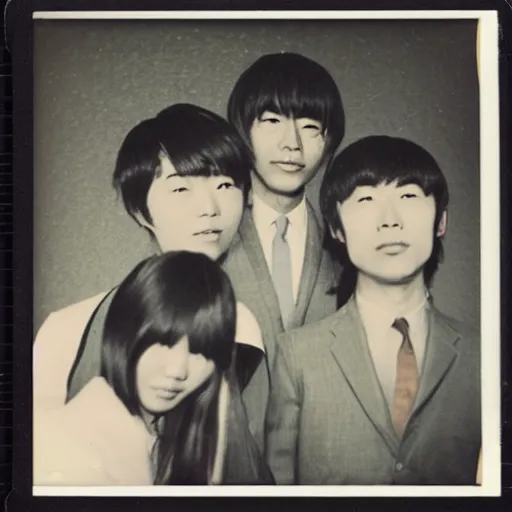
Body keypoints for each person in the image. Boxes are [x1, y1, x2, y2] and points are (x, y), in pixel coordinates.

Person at [33, 104, 273, 484]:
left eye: (225, 185)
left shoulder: (242, 325)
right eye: (181, 187)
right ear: (140, 210)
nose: (209, 209)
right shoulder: (67, 327)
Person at [265, 135, 481, 485]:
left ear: (441, 221)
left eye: (408, 195)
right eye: (365, 198)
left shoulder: (482, 355)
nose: (389, 220)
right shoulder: (298, 354)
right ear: (337, 228)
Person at [222, 52, 345, 449]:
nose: (290, 143)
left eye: (310, 126)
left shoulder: (349, 245)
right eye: (271, 121)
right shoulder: (207, 236)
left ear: (328, 144)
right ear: (242, 130)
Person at [34, 252, 236, 485]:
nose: (177, 370)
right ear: (124, 334)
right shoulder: (62, 445)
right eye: (164, 343)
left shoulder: (163, 440)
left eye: (200, 350)